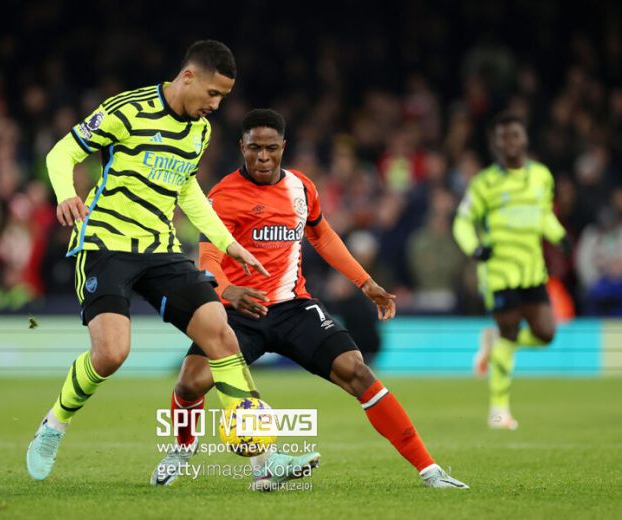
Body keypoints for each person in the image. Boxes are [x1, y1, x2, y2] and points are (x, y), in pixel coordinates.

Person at [151, 109, 469, 490]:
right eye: (254, 148)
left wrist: (365, 282)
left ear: (283, 147)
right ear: (242, 147)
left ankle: (430, 470)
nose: (263, 157)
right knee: (189, 383)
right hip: (239, 312)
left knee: (357, 371)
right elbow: (209, 260)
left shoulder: (301, 188)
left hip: (293, 308)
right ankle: (182, 449)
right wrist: (228, 290)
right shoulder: (223, 196)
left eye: (271, 148)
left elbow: (324, 237)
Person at [27, 41, 277, 481]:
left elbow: (187, 190)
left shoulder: (200, 132)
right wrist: (66, 194)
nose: (216, 105)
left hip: (160, 249)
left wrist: (227, 242)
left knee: (220, 332)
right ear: (188, 77)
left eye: (223, 97)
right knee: (111, 354)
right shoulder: (127, 110)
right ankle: (54, 424)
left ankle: (266, 463)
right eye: (213, 94)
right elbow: (61, 153)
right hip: (105, 243)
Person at [453, 111, 570, 430]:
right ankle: (498, 413)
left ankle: (493, 343)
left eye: (514, 135)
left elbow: (543, 214)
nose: (510, 142)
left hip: (532, 270)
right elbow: (462, 222)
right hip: (499, 272)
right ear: (495, 144)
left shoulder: (541, 176)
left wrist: (559, 235)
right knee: (510, 331)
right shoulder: (484, 183)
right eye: (503, 137)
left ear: (525, 139)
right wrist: (475, 248)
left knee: (546, 334)